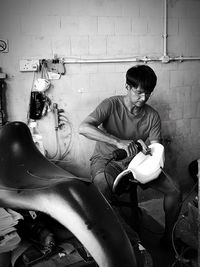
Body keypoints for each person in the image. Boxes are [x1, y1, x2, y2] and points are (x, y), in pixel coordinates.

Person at [79, 64, 182, 248]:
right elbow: (84, 127)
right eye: (139, 93)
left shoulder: (152, 116)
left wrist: (148, 151)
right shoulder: (110, 105)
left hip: (137, 164)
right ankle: (127, 244)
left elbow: (155, 149)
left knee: (174, 191)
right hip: (107, 161)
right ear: (127, 87)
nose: (143, 98)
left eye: (148, 94)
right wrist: (119, 142)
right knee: (102, 193)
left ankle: (169, 239)